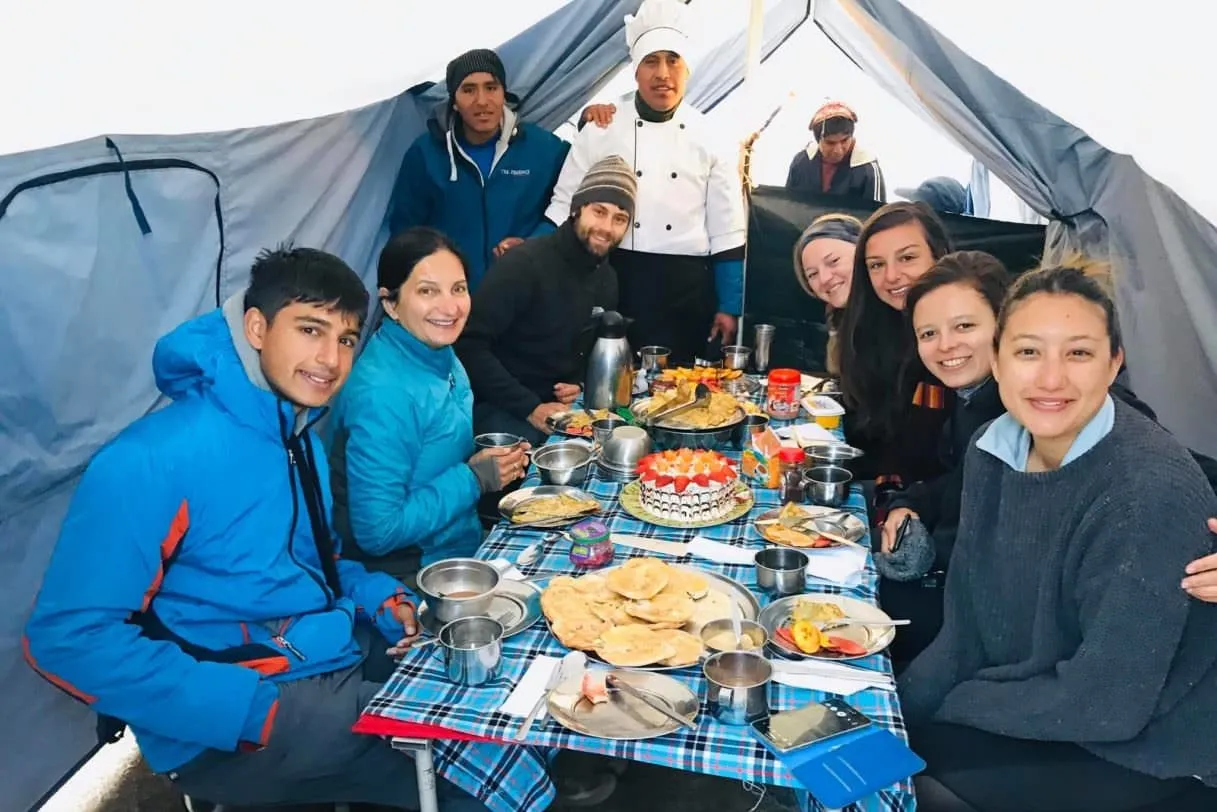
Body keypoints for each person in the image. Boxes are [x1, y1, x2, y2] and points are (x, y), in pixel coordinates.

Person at [22, 247, 484, 810]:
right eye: (310, 329)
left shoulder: (297, 439)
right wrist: (244, 710)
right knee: (473, 765)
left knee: (481, 690)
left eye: (344, 339)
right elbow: (68, 638)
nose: (331, 359)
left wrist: (381, 596)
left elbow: (317, 565)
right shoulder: (152, 458)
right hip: (236, 720)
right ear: (257, 327)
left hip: (321, 660)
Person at [899, 258, 1217, 812]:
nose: (1050, 379)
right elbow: (966, 627)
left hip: (1156, 739)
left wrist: (953, 705)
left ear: (1114, 362)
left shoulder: (1144, 492)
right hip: (1052, 694)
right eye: (1028, 351)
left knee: (921, 785)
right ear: (997, 361)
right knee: (875, 750)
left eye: (1079, 352)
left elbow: (1108, 704)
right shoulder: (991, 451)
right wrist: (897, 707)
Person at [877, 252, 1217, 668]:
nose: (946, 344)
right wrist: (908, 502)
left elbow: (1180, 474)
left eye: (965, 325)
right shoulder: (982, 413)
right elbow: (956, 482)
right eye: (929, 333)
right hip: (981, 610)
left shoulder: (1084, 412)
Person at [543, 0, 746, 364]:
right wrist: (527, 255)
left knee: (675, 390)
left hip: (684, 288)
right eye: (651, 61)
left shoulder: (712, 135)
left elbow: (728, 231)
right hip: (610, 276)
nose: (662, 73)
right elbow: (564, 206)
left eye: (673, 61)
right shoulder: (603, 126)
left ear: (687, 70)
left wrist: (730, 306)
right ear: (635, 71)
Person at [326, 228, 528, 582]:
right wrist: (474, 478)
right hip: (408, 576)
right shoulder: (383, 392)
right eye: (426, 291)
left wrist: (487, 466)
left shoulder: (439, 354)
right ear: (391, 304)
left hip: (460, 546)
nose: (450, 308)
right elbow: (379, 532)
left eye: (459, 289)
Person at [457, 155, 636, 445]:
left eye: (620, 219)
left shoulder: (607, 277)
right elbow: (467, 344)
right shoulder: (524, 264)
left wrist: (578, 383)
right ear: (576, 209)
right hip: (500, 405)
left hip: (565, 409)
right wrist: (530, 407)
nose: (606, 228)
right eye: (599, 212)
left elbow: (587, 348)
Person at [387, 48, 569, 289]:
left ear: (504, 94)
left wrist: (534, 243)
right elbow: (405, 234)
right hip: (452, 300)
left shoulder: (543, 149)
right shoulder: (426, 154)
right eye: (469, 90)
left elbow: (575, 198)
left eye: (491, 88)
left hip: (523, 292)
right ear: (454, 102)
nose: (482, 101)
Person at [836, 201, 954, 492]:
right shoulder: (872, 330)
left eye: (907, 258)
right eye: (877, 265)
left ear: (939, 255)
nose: (891, 276)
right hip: (887, 487)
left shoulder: (959, 344)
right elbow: (872, 434)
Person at [791, 213, 862, 374]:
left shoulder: (898, 314)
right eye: (812, 274)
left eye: (833, 261)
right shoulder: (836, 318)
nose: (824, 279)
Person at [785, 101, 885, 203]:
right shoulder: (802, 163)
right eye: (830, 143)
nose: (838, 150)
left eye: (844, 141)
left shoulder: (867, 169)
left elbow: (877, 214)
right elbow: (788, 204)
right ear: (818, 141)